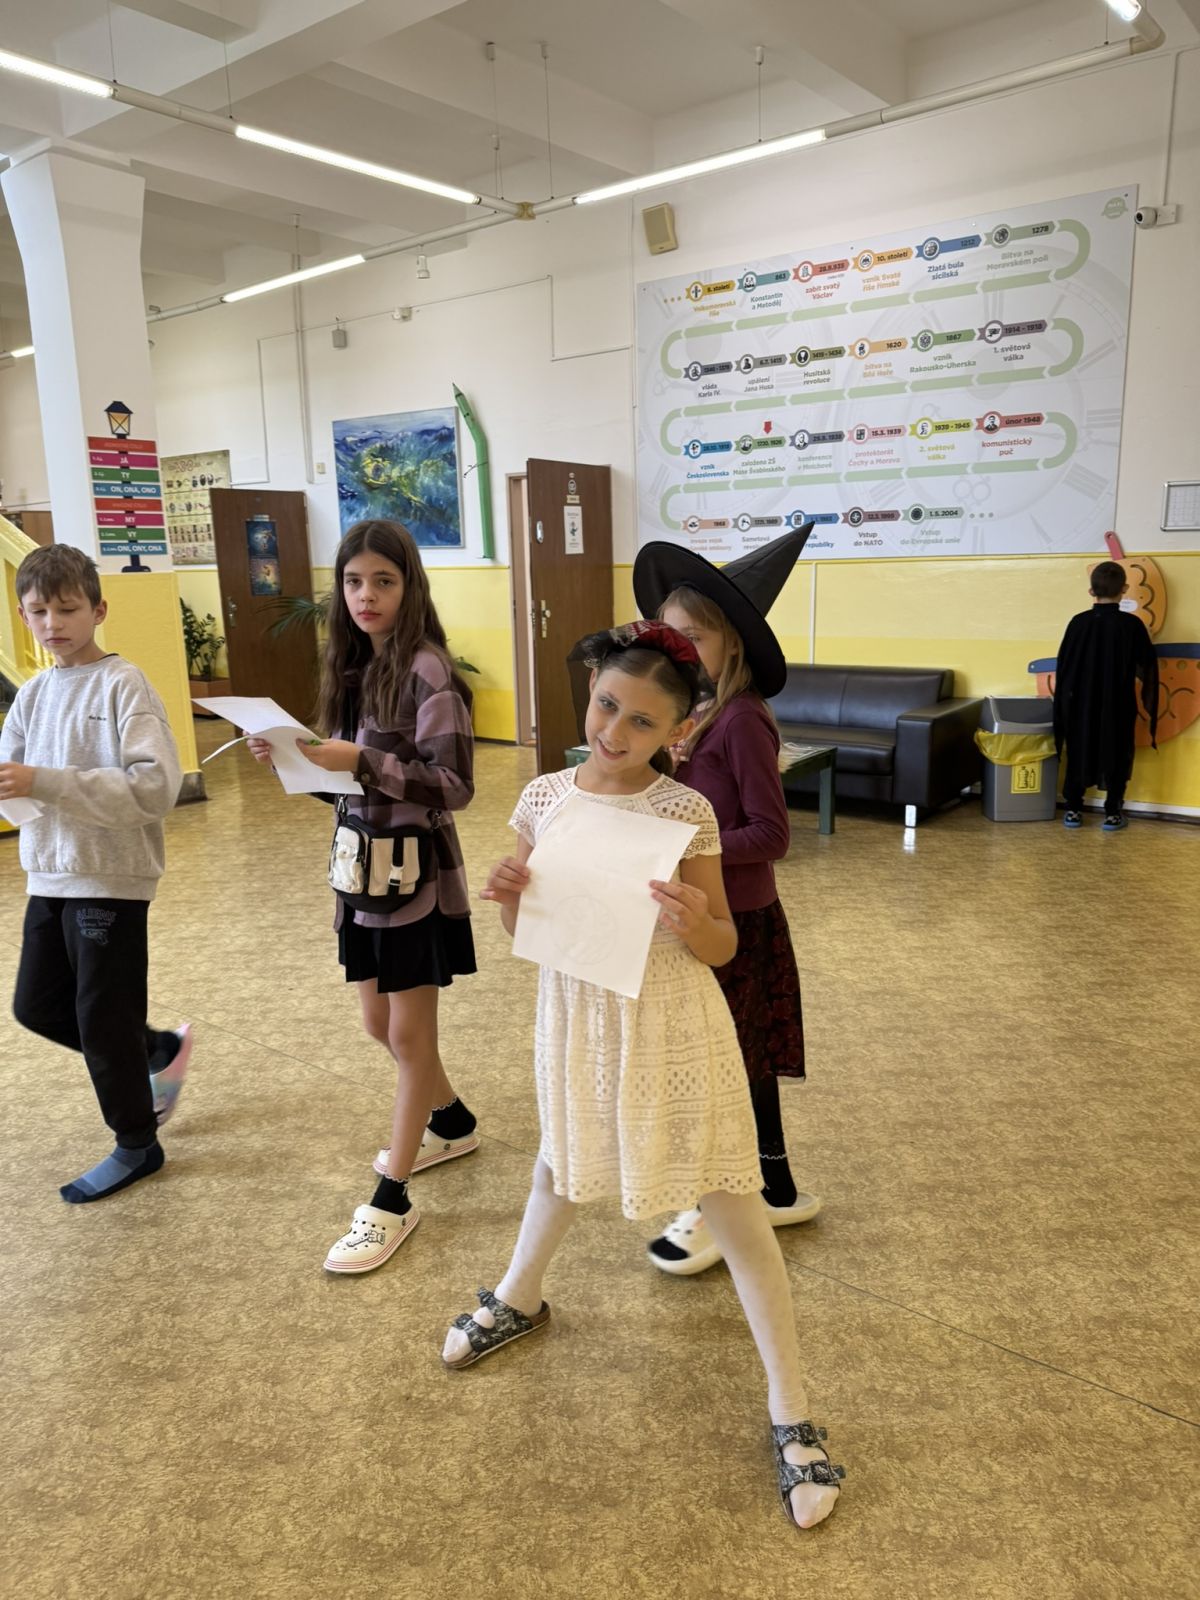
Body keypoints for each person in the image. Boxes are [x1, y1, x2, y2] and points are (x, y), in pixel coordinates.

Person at [442, 621, 845, 1530]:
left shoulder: (684, 811)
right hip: (577, 1015)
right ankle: (519, 1296)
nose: (614, 731)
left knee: (732, 1201)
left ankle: (792, 1410)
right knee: (559, 1159)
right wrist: (509, 899)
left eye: (642, 720)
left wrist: (695, 920)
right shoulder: (544, 798)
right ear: (590, 692)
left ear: (678, 729)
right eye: (606, 706)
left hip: (673, 1020)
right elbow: (526, 931)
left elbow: (723, 945)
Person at [249, 519, 478, 1273]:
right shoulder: (351, 668)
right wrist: (299, 763)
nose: (366, 595)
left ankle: (391, 1201)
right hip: (360, 875)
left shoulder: (428, 670)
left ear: (410, 586)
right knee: (379, 1025)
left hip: (414, 880)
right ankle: (451, 1120)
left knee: (409, 1039)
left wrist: (363, 762)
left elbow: (454, 786)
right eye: (353, 581)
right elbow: (350, 789)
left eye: (383, 580)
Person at [633, 526, 820, 1275]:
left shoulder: (742, 719)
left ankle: (719, 1207)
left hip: (738, 919)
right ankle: (775, 1187)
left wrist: (688, 846)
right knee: (745, 1058)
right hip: (704, 913)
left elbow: (771, 833)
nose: (679, 651)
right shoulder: (701, 714)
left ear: (730, 645)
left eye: (694, 638)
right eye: (668, 636)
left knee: (722, 1064)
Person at [0, 544, 191, 1204]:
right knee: (36, 1006)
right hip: (49, 875)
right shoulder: (32, 694)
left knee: (103, 1020)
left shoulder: (123, 684)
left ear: (98, 610)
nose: (53, 623)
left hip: (110, 877)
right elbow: (16, 779)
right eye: (38, 611)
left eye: (67, 609)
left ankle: (138, 1144)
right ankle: (155, 1050)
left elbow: (155, 788)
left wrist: (46, 782)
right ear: (23, 616)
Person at [1053, 559, 1159, 832]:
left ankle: (1073, 809)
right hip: (1117, 702)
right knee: (1117, 750)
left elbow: (1064, 664)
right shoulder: (1131, 625)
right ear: (1124, 588)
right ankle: (1112, 813)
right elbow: (1147, 664)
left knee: (1079, 749)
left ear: (1091, 591)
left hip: (1080, 703)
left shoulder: (1078, 623)